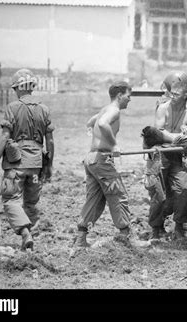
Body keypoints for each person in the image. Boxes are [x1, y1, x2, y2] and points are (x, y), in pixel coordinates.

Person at [74, 82, 148, 248]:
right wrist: (113, 145)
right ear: (120, 95)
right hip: (101, 161)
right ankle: (126, 235)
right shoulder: (113, 110)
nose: (129, 100)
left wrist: (94, 137)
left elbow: (91, 122)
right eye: (128, 96)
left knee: (95, 199)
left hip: (91, 159)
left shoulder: (104, 109)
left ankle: (81, 238)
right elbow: (101, 124)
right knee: (118, 194)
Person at [0, 69, 55, 250]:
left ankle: (25, 234)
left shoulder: (12, 108)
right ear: (31, 86)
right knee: (31, 203)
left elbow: (4, 136)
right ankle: (28, 242)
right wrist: (49, 165)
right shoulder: (44, 109)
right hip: (36, 164)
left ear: (18, 88)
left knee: (10, 199)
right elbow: (50, 141)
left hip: (16, 164)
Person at [146, 71, 187, 240]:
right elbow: (159, 133)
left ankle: (179, 225)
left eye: (178, 94)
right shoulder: (162, 109)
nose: (174, 96)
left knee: (185, 188)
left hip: (176, 157)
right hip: (160, 156)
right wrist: (177, 138)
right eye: (172, 93)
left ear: (186, 95)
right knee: (159, 195)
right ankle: (156, 228)